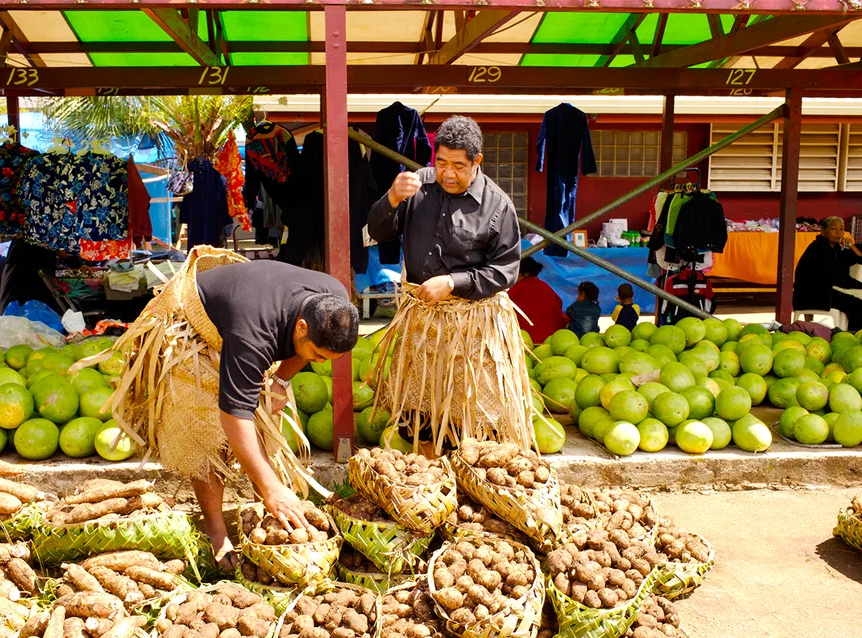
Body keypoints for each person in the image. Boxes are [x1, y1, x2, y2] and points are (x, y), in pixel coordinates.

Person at [89, 247, 359, 565]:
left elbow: (299, 356)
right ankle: (216, 534)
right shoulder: (255, 332)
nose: (316, 362)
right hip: (196, 330)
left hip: (247, 312)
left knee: (267, 429)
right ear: (301, 327)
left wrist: (282, 381)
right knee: (207, 438)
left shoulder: (336, 304)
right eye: (316, 355)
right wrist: (271, 486)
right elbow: (234, 414)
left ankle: (268, 525)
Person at [366, 115, 534, 452]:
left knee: (468, 423)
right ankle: (429, 486)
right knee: (417, 419)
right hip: (422, 326)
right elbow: (379, 232)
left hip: (471, 331)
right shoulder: (417, 186)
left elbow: (505, 271)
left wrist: (454, 283)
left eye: (458, 165)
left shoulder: (497, 205)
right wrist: (391, 200)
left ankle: (466, 486)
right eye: (440, 162)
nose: (447, 173)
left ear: (477, 161)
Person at [794, 216, 862, 331]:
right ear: (823, 231)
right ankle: (856, 336)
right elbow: (832, 277)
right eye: (833, 229)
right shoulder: (818, 248)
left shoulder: (838, 249)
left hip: (832, 290)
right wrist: (858, 286)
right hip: (815, 294)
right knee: (859, 307)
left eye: (841, 229)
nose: (838, 232)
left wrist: (851, 246)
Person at [508, 257, 568, 345]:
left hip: (524, 341)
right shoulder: (546, 287)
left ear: (526, 273)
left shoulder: (516, 289)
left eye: (515, 272)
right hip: (551, 340)